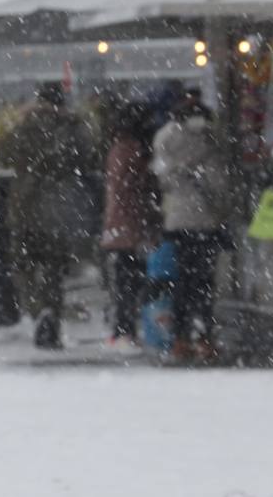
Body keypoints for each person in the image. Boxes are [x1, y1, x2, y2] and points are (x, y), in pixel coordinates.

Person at [0, 83, 99, 350]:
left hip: (25, 207)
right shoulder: (73, 128)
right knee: (54, 268)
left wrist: (24, 121)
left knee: (23, 265)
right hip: (58, 208)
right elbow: (89, 155)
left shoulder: (26, 127)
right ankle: (50, 313)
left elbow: (3, 154)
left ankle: (37, 307)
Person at [152, 94, 232, 363]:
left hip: (177, 221)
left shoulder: (165, 141)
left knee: (183, 282)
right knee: (205, 283)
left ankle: (180, 339)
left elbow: (162, 179)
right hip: (206, 222)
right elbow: (219, 184)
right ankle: (206, 338)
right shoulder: (209, 142)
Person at [100, 102, 162, 347]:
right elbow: (140, 186)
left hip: (120, 222)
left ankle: (123, 328)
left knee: (126, 276)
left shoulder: (118, 149)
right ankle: (127, 328)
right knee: (132, 277)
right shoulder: (134, 151)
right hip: (132, 222)